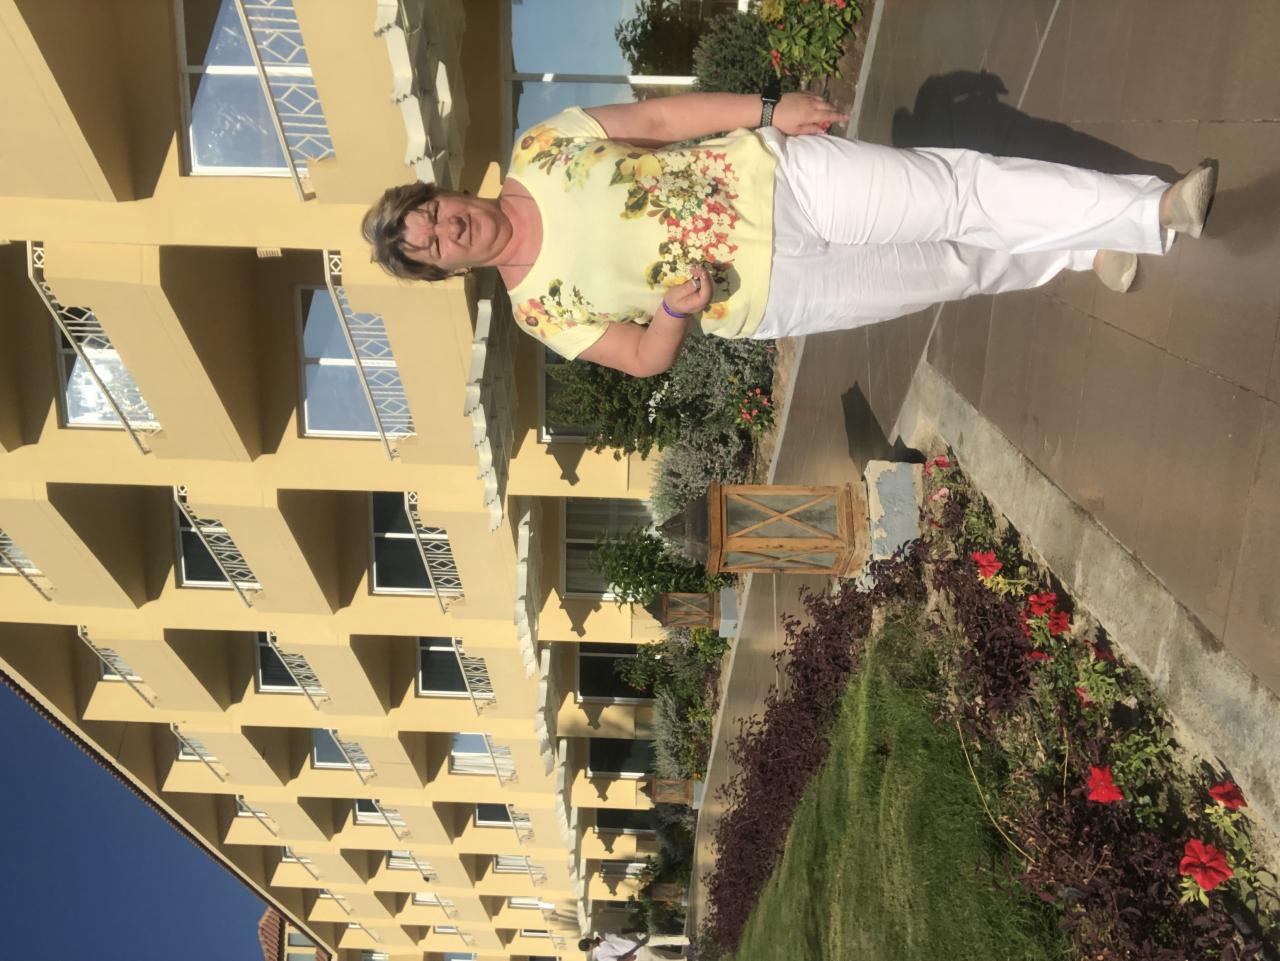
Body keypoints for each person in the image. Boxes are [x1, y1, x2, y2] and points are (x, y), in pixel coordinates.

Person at [362, 90, 1217, 378]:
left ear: (443, 192)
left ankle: (1151, 209)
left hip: (777, 179)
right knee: (954, 269)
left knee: (954, 191)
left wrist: (770, 110)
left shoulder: (542, 147)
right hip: (774, 293)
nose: (444, 229)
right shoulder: (537, 312)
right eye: (430, 246)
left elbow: (658, 120)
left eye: (429, 212)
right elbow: (643, 356)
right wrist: (672, 312)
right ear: (447, 270)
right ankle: (1085, 247)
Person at [578, 930, 689, 961]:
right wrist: (629, 959)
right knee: (663, 958)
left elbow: (620, 932)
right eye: (589, 946)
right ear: (589, 949)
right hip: (638, 954)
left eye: (588, 942)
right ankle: (686, 959)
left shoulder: (601, 932)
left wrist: (635, 931)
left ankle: (687, 940)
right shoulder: (601, 956)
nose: (591, 944)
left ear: (588, 939)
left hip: (639, 938)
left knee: (664, 938)